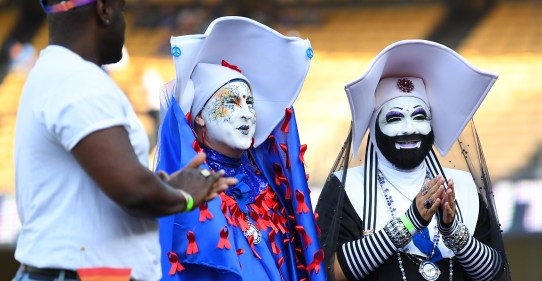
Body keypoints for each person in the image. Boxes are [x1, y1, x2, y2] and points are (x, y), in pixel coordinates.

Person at [12, 1, 236, 280]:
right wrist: (184, 196)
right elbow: (133, 191)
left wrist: (162, 187)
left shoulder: (52, 72)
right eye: (122, 9)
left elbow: (97, 187)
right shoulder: (78, 80)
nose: (124, 21)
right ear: (104, 10)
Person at [315, 40, 511, 281]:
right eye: (395, 119)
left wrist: (453, 231)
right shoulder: (347, 188)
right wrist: (410, 223)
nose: (410, 129)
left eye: (419, 117)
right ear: (375, 129)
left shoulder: (463, 188)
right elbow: (328, 271)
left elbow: (493, 273)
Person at [153, 16, 326, 281]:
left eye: (250, 102)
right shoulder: (191, 189)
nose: (247, 114)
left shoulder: (268, 185)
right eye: (232, 102)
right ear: (199, 116)